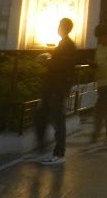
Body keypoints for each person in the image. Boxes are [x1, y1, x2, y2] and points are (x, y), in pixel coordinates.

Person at [35, 17, 77, 165]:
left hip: (58, 87)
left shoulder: (68, 46)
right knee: (53, 118)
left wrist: (47, 61)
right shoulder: (63, 44)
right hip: (54, 86)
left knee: (58, 120)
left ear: (65, 28)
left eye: (60, 25)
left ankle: (59, 153)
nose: (58, 28)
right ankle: (53, 150)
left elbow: (63, 66)